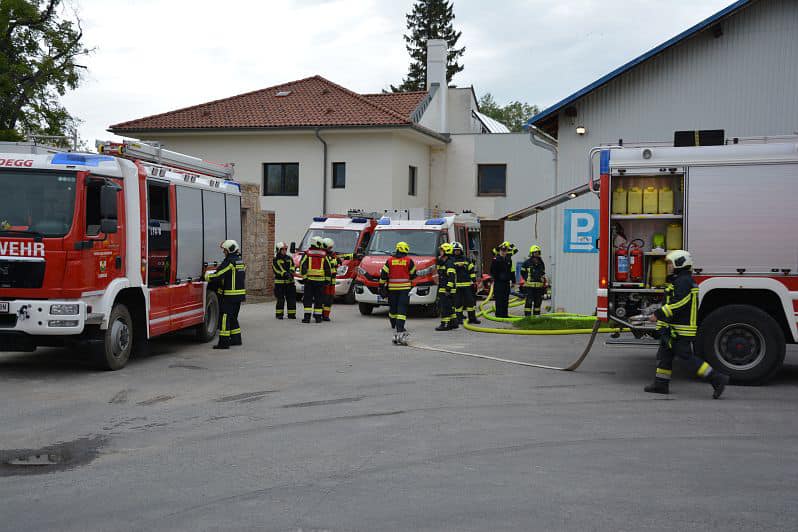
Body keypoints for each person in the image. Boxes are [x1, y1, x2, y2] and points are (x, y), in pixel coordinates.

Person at [646, 250, 729, 398]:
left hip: (681, 328)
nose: (668, 266)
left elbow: (680, 302)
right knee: (665, 354)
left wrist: (659, 314)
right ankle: (661, 384)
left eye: (670, 263)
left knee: (686, 357)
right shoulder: (680, 279)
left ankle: (717, 378)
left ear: (680, 263)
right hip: (673, 327)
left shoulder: (683, 281)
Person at [205, 239, 246, 349]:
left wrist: (208, 277)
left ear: (230, 250)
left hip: (230, 296)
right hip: (239, 295)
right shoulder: (239, 261)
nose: (224, 252)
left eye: (225, 250)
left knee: (224, 317)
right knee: (233, 318)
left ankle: (224, 342)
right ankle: (236, 339)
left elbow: (220, 274)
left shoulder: (230, 262)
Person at [380, 241, 416, 345]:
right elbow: (413, 274)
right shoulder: (409, 261)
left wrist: (381, 286)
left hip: (392, 289)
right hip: (405, 289)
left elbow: (383, 275)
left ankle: (393, 323)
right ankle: (400, 328)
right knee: (402, 308)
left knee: (393, 308)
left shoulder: (390, 260)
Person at [300, 236, 331, 323]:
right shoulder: (324, 255)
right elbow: (328, 268)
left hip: (309, 281)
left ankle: (307, 318)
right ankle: (318, 318)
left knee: (308, 299)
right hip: (320, 282)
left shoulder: (307, 254)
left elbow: (302, 266)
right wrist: (327, 280)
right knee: (319, 300)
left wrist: (305, 277)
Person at [451, 242, 480, 325]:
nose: (457, 252)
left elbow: (471, 270)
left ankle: (472, 318)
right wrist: (458, 266)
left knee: (470, 302)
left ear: (461, 250)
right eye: (455, 250)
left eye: (458, 250)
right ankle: (459, 319)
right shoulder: (451, 260)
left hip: (467, 285)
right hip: (457, 286)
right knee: (458, 303)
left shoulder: (466, 259)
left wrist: (474, 281)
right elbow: (450, 270)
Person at [435, 242, 458, 331]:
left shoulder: (449, 263)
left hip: (447, 289)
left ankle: (445, 324)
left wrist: (448, 289)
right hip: (443, 288)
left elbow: (451, 277)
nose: (440, 252)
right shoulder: (443, 262)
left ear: (446, 251)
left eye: (442, 250)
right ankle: (454, 323)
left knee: (445, 307)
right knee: (450, 307)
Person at [490, 242, 515, 318]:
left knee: (505, 299)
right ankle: (499, 314)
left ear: (507, 251)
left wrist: (513, 281)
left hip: (506, 282)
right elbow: (492, 271)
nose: (503, 252)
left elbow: (511, 271)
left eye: (505, 251)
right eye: (502, 251)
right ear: (500, 251)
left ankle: (505, 314)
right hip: (499, 283)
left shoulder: (508, 260)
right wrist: (494, 279)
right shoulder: (495, 260)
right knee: (499, 299)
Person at [272, 241, 296, 320]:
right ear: (279, 250)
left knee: (291, 299)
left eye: (285, 249)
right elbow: (276, 270)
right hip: (280, 283)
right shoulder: (275, 260)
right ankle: (279, 314)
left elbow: (293, 266)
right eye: (283, 249)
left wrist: (291, 272)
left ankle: (291, 314)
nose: (285, 251)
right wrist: (285, 274)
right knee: (281, 299)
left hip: (290, 283)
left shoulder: (289, 258)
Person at [520, 245, 546, 317]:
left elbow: (543, 272)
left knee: (538, 302)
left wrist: (542, 279)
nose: (536, 254)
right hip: (529, 287)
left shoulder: (541, 263)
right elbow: (522, 272)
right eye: (535, 252)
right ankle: (528, 316)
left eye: (538, 252)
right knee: (529, 301)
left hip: (539, 287)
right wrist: (526, 279)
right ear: (531, 253)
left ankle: (536, 316)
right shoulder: (526, 262)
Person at [321, 237, 339, 322]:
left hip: (332, 281)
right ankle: (320, 314)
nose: (331, 249)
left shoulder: (332, 255)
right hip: (325, 281)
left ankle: (326, 315)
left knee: (329, 299)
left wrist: (354, 256)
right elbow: (330, 264)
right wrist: (336, 261)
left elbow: (341, 257)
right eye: (329, 247)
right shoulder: (323, 255)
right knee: (324, 298)